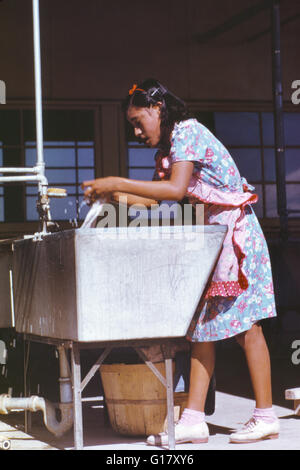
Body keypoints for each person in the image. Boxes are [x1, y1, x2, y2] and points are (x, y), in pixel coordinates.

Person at [82, 78, 279, 445]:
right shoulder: (169, 152)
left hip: (236, 239)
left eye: (140, 121)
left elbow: (173, 190)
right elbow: (158, 202)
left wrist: (115, 179)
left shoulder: (188, 131)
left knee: (247, 327)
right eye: (133, 127)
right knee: (202, 330)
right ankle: (192, 419)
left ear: (158, 110)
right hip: (212, 243)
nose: (137, 132)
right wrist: (113, 196)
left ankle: (265, 415)